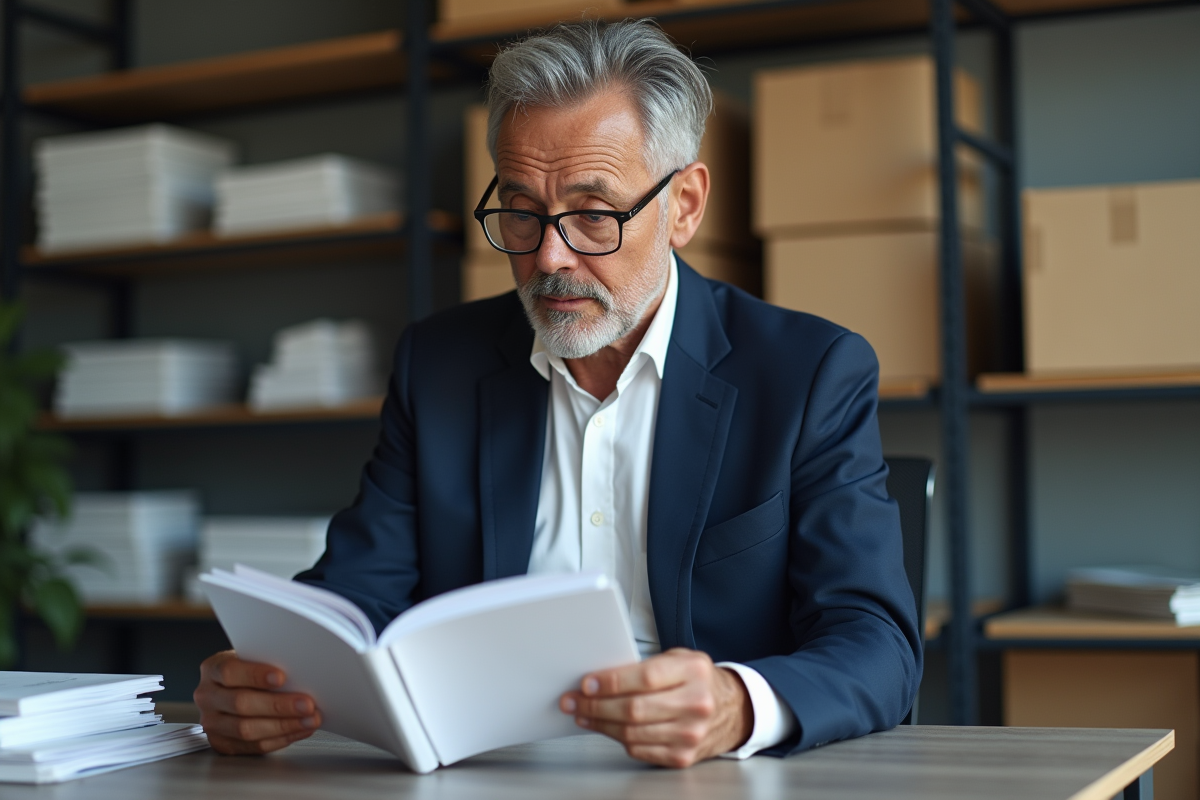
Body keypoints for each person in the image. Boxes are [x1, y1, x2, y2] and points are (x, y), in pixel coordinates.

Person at [193, 19, 921, 769]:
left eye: (593, 213)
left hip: (704, 778)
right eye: (520, 210)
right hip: (484, 771)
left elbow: (878, 644)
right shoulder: (439, 365)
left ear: (685, 205)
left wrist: (735, 706)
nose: (548, 256)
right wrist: (269, 677)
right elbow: (356, 592)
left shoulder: (807, 372)